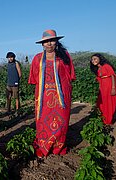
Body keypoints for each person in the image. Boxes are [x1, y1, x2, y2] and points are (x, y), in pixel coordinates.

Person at [28, 29, 76, 158]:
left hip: (61, 95)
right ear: (42, 44)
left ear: (57, 42)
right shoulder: (38, 58)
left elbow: (70, 74)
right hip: (43, 95)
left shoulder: (65, 56)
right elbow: (34, 77)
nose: (49, 44)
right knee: (43, 120)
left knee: (61, 121)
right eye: (46, 41)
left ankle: (58, 146)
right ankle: (43, 146)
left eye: (52, 40)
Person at [90, 53, 116, 125]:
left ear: (100, 59)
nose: (93, 61)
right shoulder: (99, 69)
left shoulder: (106, 66)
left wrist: (113, 88)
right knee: (101, 103)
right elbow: (100, 80)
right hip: (103, 88)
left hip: (110, 86)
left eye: (95, 59)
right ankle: (103, 119)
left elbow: (113, 76)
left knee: (108, 103)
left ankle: (108, 121)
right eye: (92, 60)